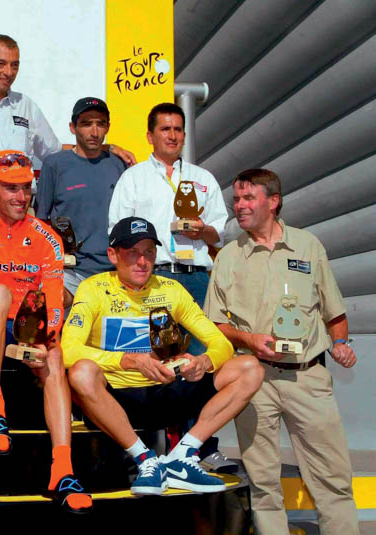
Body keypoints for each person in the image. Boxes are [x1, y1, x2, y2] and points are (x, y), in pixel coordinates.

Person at [204, 169, 359, 535]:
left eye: (247, 199)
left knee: (333, 480)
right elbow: (214, 325)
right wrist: (249, 340)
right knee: (263, 483)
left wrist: (340, 344)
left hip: (309, 378)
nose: (238, 207)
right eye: (236, 201)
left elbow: (333, 311)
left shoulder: (309, 246)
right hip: (254, 379)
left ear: (273, 201)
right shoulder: (228, 257)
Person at [62, 216, 263, 496]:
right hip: (118, 397)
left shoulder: (170, 289)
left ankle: (183, 455)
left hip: (166, 390)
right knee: (81, 371)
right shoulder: (93, 288)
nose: (142, 261)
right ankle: (145, 460)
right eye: (132, 252)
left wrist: (203, 362)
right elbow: (68, 350)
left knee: (250, 368)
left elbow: (220, 342)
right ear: (112, 255)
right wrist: (130, 360)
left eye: (148, 252)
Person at [0, 150, 93, 514]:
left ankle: (63, 469)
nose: (20, 197)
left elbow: (54, 303)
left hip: (24, 331)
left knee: (55, 356)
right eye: (10, 188)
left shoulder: (47, 236)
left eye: (25, 188)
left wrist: (46, 339)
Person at [0, 35, 135, 225]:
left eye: (14, 65)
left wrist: (107, 148)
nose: (8, 72)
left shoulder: (26, 106)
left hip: (20, 209)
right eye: (1, 63)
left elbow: (54, 151)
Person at [108, 102, 227, 354]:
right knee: (155, 354)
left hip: (196, 278)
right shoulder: (133, 178)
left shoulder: (203, 178)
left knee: (200, 355)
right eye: (165, 129)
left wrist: (202, 231)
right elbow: (116, 230)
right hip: (153, 277)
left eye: (178, 129)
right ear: (150, 136)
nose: (172, 136)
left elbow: (219, 234)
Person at [34, 97, 127, 307]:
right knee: (46, 304)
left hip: (115, 272)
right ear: (72, 127)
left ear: (108, 127)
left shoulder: (120, 164)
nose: (94, 132)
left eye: (100, 124)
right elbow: (41, 222)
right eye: (86, 123)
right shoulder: (54, 165)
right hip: (70, 272)